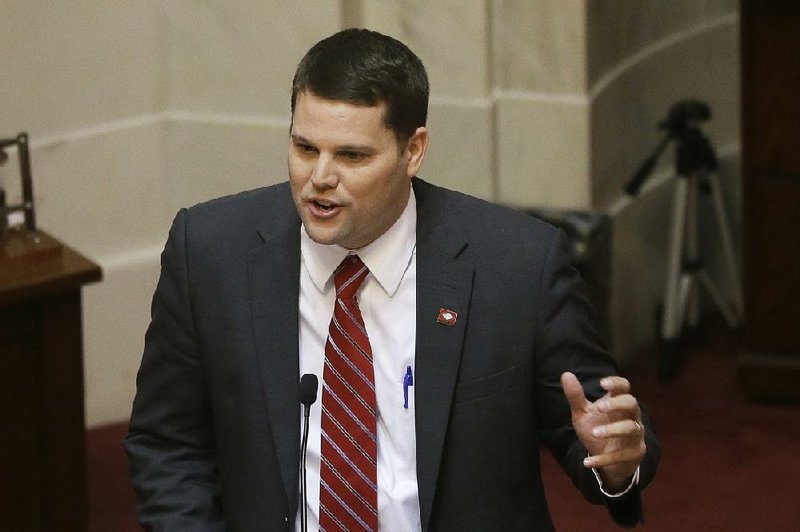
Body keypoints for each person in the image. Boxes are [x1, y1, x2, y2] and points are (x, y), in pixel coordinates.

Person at [124, 28, 660, 531]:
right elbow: (168, 443)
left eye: (352, 155)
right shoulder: (211, 252)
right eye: (305, 148)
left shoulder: (517, 264)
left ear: (413, 151)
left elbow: (596, 431)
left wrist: (614, 463)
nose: (320, 179)